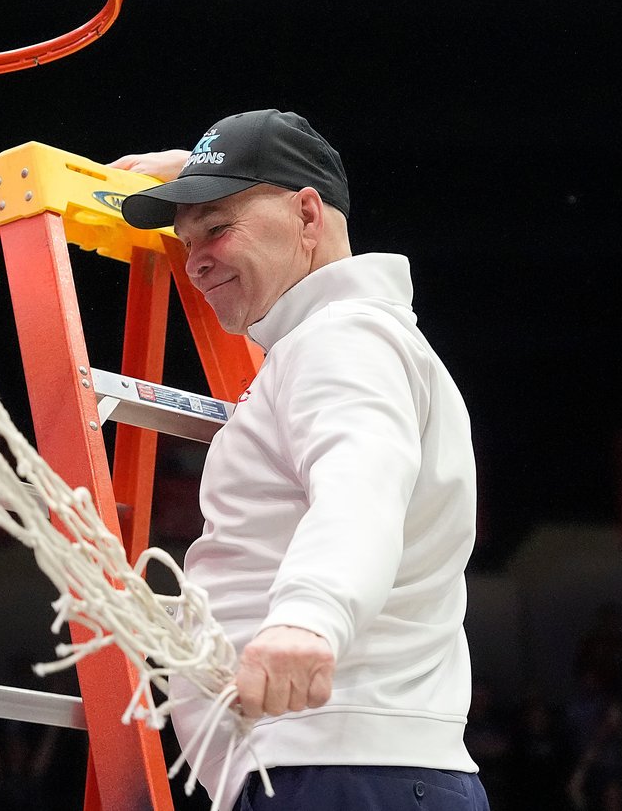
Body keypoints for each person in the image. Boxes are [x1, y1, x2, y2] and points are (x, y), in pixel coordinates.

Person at [110, 109, 488, 810]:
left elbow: (360, 482)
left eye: (216, 229)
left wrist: (310, 616)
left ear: (308, 216)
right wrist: (197, 181)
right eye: (186, 237)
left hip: (338, 768)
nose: (193, 260)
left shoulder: (339, 343)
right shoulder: (338, 337)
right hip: (349, 764)